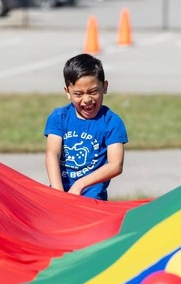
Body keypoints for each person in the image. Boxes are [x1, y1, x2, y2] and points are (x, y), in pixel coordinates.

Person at [44, 53, 128, 200]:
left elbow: (115, 165)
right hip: (59, 195)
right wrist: (58, 194)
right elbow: (52, 154)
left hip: (91, 200)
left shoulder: (112, 122)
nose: (87, 99)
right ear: (67, 93)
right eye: (78, 94)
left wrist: (79, 184)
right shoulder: (59, 117)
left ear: (105, 87)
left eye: (93, 92)